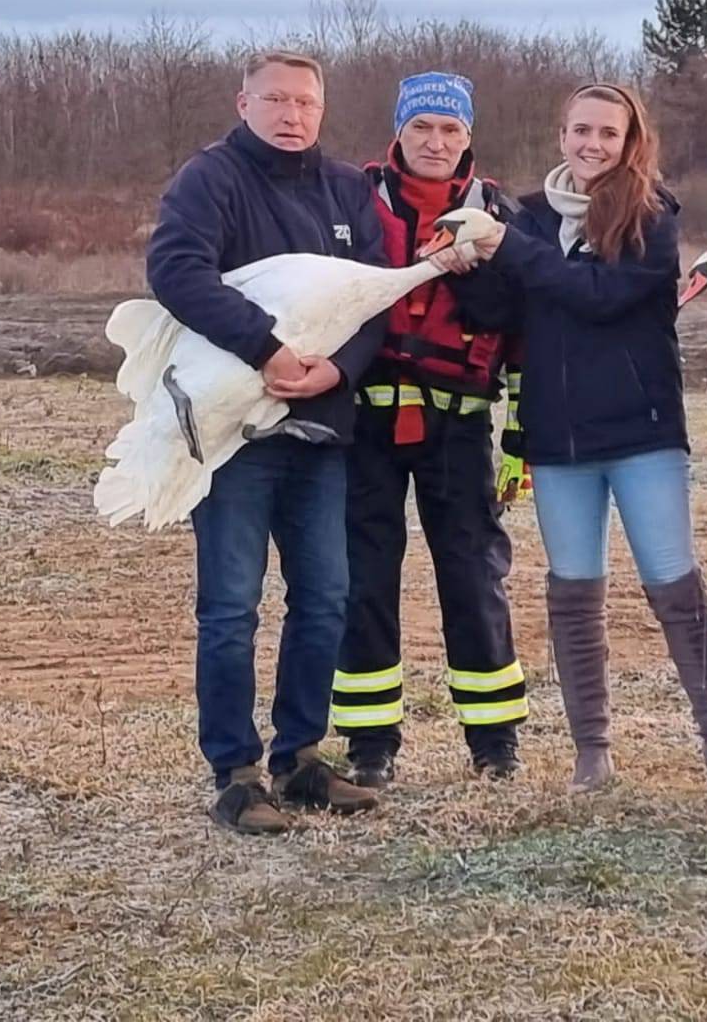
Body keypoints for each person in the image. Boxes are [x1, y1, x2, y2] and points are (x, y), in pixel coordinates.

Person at [463, 83, 707, 795]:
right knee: (573, 592)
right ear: (560, 135)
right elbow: (504, 309)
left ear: (630, 143)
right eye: (581, 131)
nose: (593, 145)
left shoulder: (653, 218)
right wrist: (469, 258)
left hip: (640, 431)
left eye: (608, 135)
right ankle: (592, 751)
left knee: (673, 586)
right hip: (559, 440)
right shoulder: (523, 219)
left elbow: (598, 298)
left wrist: (509, 252)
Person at [147, 50, 381, 834]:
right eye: (275, 99)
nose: (291, 114)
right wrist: (268, 352)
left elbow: (375, 301)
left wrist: (337, 371)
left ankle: (303, 759)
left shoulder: (348, 189)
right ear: (243, 101)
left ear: (322, 109)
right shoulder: (209, 180)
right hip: (233, 433)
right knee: (231, 608)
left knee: (324, 599)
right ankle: (237, 775)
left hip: (319, 431)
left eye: (306, 102)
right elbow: (177, 271)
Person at [330, 73, 529, 787]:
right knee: (363, 578)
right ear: (400, 132)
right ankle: (369, 744)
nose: (436, 142)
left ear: (468, 137)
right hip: (367, 421)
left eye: (450, 130)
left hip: (461, 424)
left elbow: (524, 326)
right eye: (423, 129)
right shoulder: (351, 200)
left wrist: (521, 440)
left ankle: (494, 742)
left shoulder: (503, 212)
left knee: (474, 578)